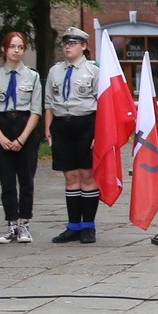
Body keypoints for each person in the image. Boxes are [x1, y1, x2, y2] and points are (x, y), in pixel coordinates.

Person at [43, 27, 101, 245]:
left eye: (73, 43)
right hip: (62, 125)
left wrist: (98, 133)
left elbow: (103, 103)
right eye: (66, 43)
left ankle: (88, 226)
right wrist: (48, 129)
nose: (68, 47)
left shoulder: (93, 70)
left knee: (87, 175)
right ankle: (73, 225)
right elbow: (49, 102)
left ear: (84, 46)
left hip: (86, 124)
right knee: (70, 176)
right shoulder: (55, 71)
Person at [0, 31, 42, 244]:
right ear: (4, 49)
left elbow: (36, 110)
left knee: (26, 180)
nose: (16, 51)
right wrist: (0, 136)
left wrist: (22, 138)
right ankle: (11, 223)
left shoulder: (32, 76)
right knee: (7, 180)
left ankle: (24, 223)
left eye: (20, 47)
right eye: (12, 46)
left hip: (25, 125)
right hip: (3, 125)